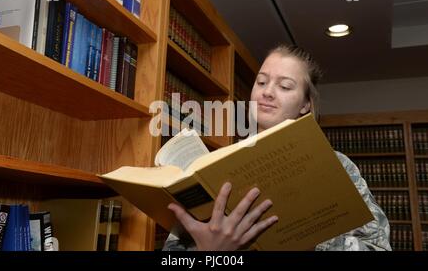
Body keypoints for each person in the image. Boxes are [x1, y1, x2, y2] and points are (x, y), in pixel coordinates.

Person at [163, 44, 392, 251]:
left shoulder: (337, 166)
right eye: (261, 82)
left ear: (305, 105)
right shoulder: (215, 167)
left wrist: (307, 240)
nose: (267, 92)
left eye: (284, 86)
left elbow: (377, 248)